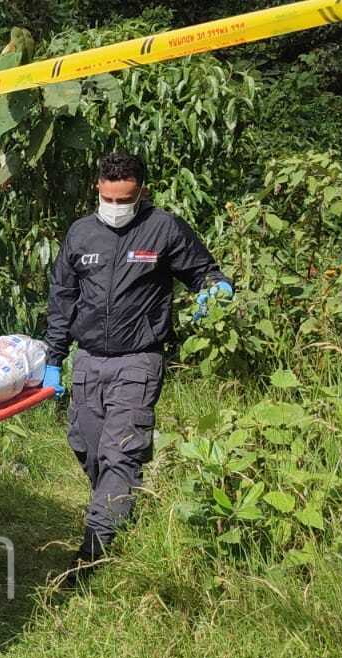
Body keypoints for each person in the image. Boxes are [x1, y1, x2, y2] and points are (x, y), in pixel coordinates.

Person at [41, 152, 233, 584]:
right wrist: (54, 358)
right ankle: (118, 508)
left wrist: (216, 289)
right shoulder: (81, 234)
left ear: (141, 192)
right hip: (88, 361)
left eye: (124, 199)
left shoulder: (163, 229)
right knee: (87, 447)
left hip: (138, 360)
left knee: (120, 455)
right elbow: (62, 299)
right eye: (108, 198)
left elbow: (204, 272)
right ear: (97, 188)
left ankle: (91, 556)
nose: (115, 207)